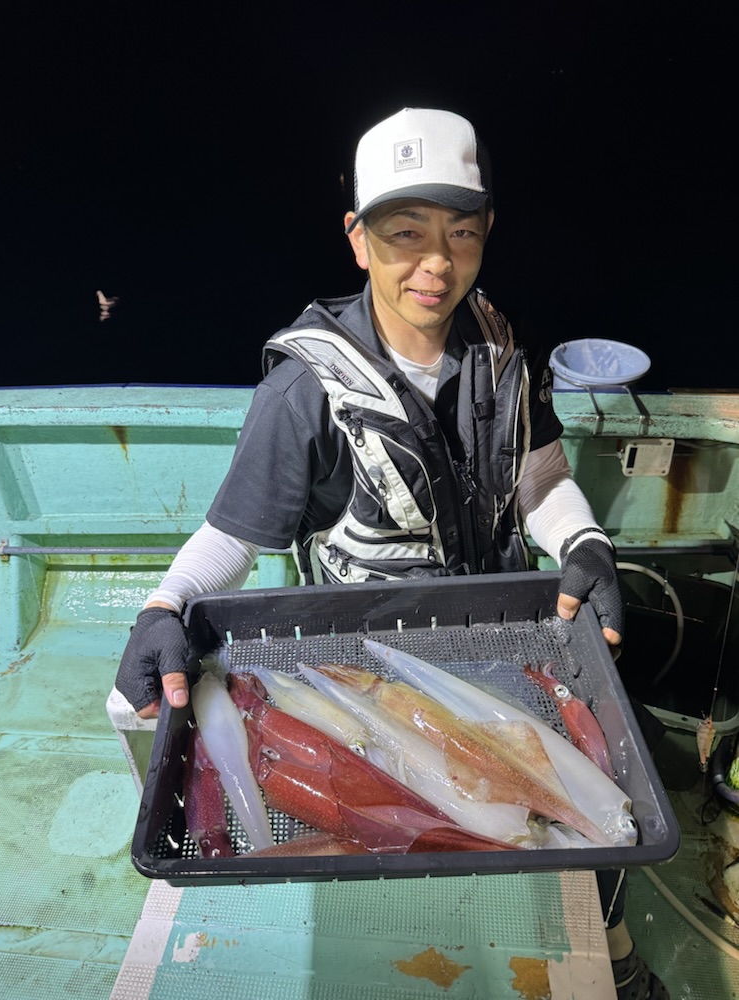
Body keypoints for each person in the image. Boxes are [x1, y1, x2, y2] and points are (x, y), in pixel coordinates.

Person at [116, 107, 667, 1000]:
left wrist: (584, 540)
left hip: (500, 634)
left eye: (461, 232)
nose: (436, 263)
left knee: (607, 808)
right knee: (414, 827)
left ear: (487, 230)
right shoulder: (303, 393)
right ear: (358, 239)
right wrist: (163, 605)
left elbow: (540, 472)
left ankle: (610, 943)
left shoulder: (502, 342)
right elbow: (233, 537)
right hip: (365, 663)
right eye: (406, 233)